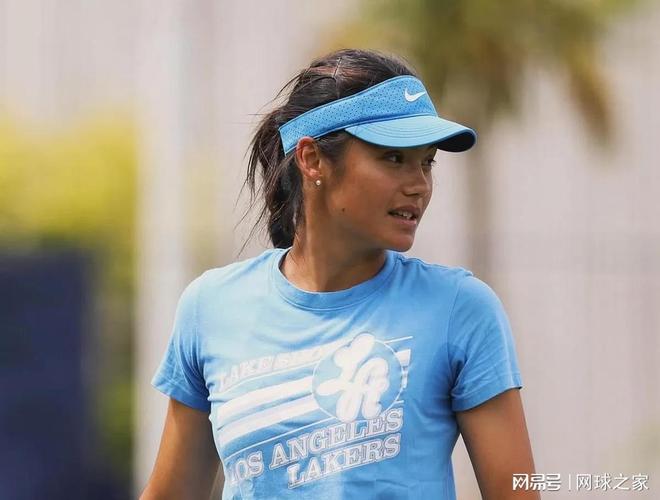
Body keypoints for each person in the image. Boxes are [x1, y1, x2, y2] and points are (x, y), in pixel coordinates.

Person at [141, 48, 539, 500]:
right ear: (312, 159)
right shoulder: (210, 308)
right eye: (394, 158)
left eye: (426, 161)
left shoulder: (459, 309)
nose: (419, 185)